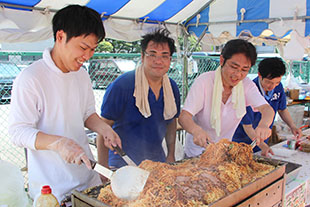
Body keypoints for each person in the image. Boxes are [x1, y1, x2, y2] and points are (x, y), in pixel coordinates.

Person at [8, 5, 121, 202]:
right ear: (60, 37)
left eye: (93, 49)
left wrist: (104, 129)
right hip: (52, 190)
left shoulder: (82, 74)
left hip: (87, 180)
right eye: (83, 47)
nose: (88, 56)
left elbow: (87, 114)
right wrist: (59, 144)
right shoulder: (31, 78)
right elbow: (18, 132)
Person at [97, 28, 181, 171]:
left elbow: (171, 122)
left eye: (164, 56)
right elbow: (102, 129)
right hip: (122, 163)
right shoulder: (122, 85)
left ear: (170, 60)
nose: (158, 61)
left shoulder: (171, 87)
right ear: (142, 56)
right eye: (152, 54)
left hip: (156, 162)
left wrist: (171, 155)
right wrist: (103, 168)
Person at [178, 39, 275, 158]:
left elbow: (267, 109)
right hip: (197, 152)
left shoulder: (246, 85)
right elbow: (184, 117)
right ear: (222, 60)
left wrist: (264, 125)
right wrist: (196, 131)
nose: (238, 74)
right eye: (234, 67)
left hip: (223, 153)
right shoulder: (204, 81)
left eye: (244, 70)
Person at [233, 57, 302, 156]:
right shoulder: (249, 90)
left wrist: (292, 126)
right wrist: (263, 146)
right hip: (242, 140)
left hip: (262, 139)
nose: (272, 86)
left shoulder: (278, 87)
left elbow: (282, 109)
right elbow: (247, 127)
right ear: (260, 75)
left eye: (276, 82)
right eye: (269, 82)